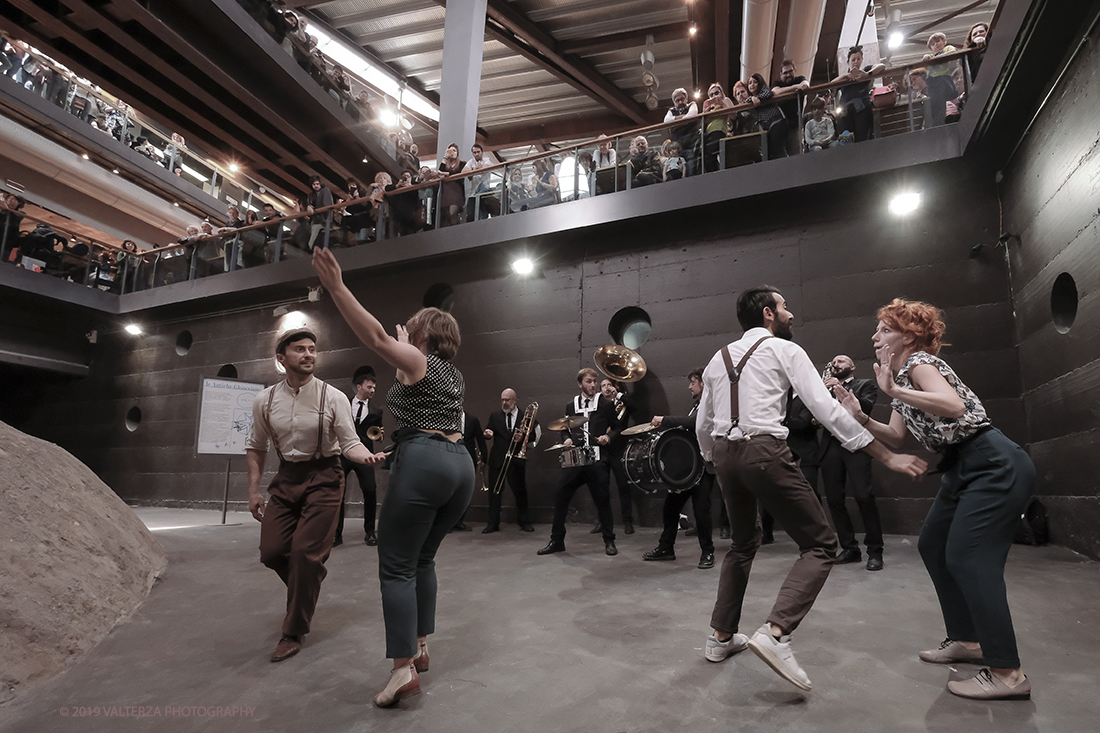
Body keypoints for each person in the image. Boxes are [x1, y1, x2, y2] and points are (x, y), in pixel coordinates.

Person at [696, 285, 927, 690]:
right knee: (821, 545)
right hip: (764, 450)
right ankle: (777, 632)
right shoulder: (786, 351)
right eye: (784, 307)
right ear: (768, 314)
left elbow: (703, 421)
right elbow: (826, 409)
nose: (790, 314)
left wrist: (712, 459)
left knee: (741, 544)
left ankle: (720, 637)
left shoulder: (719, 357)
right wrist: (886, 456)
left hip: (725, 455)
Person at [835, 299, 1034, 701]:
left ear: (908, 336)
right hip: (962, 466)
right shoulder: (902, 377)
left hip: (991, 462)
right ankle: (968, 639)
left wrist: (892, 388)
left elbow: (953, 405)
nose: (875, 337)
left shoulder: (918, 364)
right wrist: (860, 416)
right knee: (933, 545)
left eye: (884, 330)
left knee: (969, 558)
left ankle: (1008, 672)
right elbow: (894, 435)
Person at [311, 247, 475, 708]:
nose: (405, 327)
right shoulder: (451, 372)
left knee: (397, 566)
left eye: (412, 325)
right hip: (458, 464)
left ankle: (401, 669)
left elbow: (379, 340)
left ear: (423, 335)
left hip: (424, 461)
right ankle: (421, 645)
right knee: (423, 560)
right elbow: (408, 378)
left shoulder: (418, 362)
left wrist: (337, 288)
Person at [246, 328, 382, 664]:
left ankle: (293, 631)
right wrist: (252, 490)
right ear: (282, 358)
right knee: (272, 552)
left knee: (305, 553)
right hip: (286, 476)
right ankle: (308, 578)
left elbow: (349, 442)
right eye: (299, 350)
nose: (308, 354)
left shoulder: (332, 397)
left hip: (325, 475)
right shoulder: (264, 401)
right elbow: (256, 446)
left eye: (312, 349)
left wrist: (367, 456)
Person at [538, 368, 618, 557]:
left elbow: (618, 427)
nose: (593, 385)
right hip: (577, 458)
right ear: (580, 383)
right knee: (560, 493)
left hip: (597, 457)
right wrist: (566, 439)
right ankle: (557, 540)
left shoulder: (605, 403)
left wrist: (608, 436)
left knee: (603, 500)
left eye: (594, 381)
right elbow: (565, 428)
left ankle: (609, 540)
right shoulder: (571, 405)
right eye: (589, 381)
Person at [643, 368, 716, 569]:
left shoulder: (710, 405)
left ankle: (708, 552)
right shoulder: (696, 406)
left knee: (702, 512)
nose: (690, 386)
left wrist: (665, 420)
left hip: (704, 468)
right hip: (689, 471)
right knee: (671, 507)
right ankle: (666, 548)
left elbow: (695, 424)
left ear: (703, 383)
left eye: (693, 382)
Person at [820, 354, 883, 570]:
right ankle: (849, 548)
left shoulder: (865, 384)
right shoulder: (825, 389)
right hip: (831, 446)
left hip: (857, 444)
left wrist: (840, 390)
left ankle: (875, 551)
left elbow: (864, 408)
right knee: (834, 499)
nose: (835, 363)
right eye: (834, 361)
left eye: (841, 360)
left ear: (852, 367)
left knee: (864, 496)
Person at [335, 366, 384, 547]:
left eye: (374, 388)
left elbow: (378, 434)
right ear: (359, 386)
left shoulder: (377, 411)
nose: (373, 390)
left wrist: (379, 435)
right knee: (338, 494)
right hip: (343, 454)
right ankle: (336, 534)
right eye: (369, 387)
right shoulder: (343, 404)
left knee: (370, 491)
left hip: (365, 455)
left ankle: (370, 532)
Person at [483, 388, 539, 533]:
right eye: (502, 399)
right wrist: (487, 434)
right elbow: (489, 431)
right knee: (494, 492)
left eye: (507, 400)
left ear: (515, 400)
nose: (504, 403)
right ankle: (493, 523)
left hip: (516, 459)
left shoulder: (524, 415)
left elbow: (533, 436)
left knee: (520, 491)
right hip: (498, 459)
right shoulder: (495, 415)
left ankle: (524, 522)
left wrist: (522, 439)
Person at [598, 377, 634, 535]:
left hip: (619, 449)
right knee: (601, 488)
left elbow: (635, 407)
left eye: (608, 385)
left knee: (623, 486)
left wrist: (618, 395)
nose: (606, 388)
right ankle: (602, 522)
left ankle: (628, 521)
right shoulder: (599, 406)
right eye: (603, 386)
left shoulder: (623, 403)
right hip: (603, 450)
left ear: (615, 387)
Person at [832, 46, 885, 143]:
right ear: (848, 62)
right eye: (853, 59)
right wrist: (846, 76)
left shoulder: (866, 70)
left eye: (858, 59)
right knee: (846, 139)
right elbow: (832, 84)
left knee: (862, 137)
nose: (856, 61)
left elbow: (881, 66)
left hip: (862, 109)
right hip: (845, 112)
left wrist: (867, 74)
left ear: (862, 59)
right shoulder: (845, 77)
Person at [745, 73, 789, 158]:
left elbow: (768, 93)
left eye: (755, 82)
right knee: (770, 153)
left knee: (778, 149)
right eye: (750, 83)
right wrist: (751, 98)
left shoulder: (764, 89)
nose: (752, 85)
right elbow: (744, 105)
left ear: (760, 83)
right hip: (768, 128)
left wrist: (756, 98)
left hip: (777, 122)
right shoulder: (750, 100)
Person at [922, 33, 960, 127]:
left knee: (941, 102)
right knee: (934, 103)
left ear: (944, 41)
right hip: (931, 81)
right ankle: (937, 122)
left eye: (938, 41)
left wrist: (936, 58)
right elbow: (925, 63)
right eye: (933, 44)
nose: (936, 44)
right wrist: (926, 57)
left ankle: (942, 122)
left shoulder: (947, 49)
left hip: (942, 79)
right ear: (931, 48)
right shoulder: (931, 56)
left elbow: (954, 52)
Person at [663, 87, 699, 176]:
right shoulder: (671, 110)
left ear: (686, 98)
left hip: (691, 146)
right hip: (677, 150)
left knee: (691, 169)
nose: (680, 102)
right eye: (677, 100)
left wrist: (675, 123)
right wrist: (685, 119)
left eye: (682, 99)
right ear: (674, 102)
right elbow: (666, 121)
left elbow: (692, 115)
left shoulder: (692, 104)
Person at [701, 82, 735, 172]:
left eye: (717, 93)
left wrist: (722, 103)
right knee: (707, 158)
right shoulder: (710, 107)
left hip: (719, 131)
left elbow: (733, 115)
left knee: (711, 155)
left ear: (721, 92)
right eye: (711, 95)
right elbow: (702, 123)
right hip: (708, 134)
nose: (714, 96)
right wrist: (705, 111)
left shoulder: (725, 100)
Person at [437, 142, 465, 226]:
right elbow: (440, 170)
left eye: (454, 151)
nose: (452, 152)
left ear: (457, 153)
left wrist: (446, 174)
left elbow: (458, 173)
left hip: (457, 192)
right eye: (450, 150)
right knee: (446, 217)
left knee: (452, 212)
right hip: (446, 193)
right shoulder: (446, 165)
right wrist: (445, 157)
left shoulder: (462, 164)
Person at [305, 175, 333, 248]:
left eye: (317, 184)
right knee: (315, 242)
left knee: (312, 243)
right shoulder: (311, 195)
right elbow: (309, 206)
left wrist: (313, 209)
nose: (316, 186)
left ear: (320, 183)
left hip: (324, 219)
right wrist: (308, 206)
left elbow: (326, 205)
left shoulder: (325, 190)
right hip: (315, 221)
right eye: (314, 184)